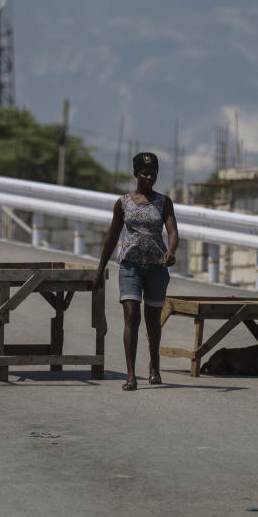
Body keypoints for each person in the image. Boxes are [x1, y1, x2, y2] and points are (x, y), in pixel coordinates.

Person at [93, 152, 179, 390]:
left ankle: (154, 366)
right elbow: (111, 237)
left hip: (156, 268)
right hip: (130, 266)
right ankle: (130, 374)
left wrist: (170, 251)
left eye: (153, 174)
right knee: (132, 315)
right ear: (136, 174)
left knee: (152, 321)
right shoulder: (123, 203)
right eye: (144, 173)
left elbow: (172, 231)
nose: (149, 178)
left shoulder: (164, 202)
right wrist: (99, 270)